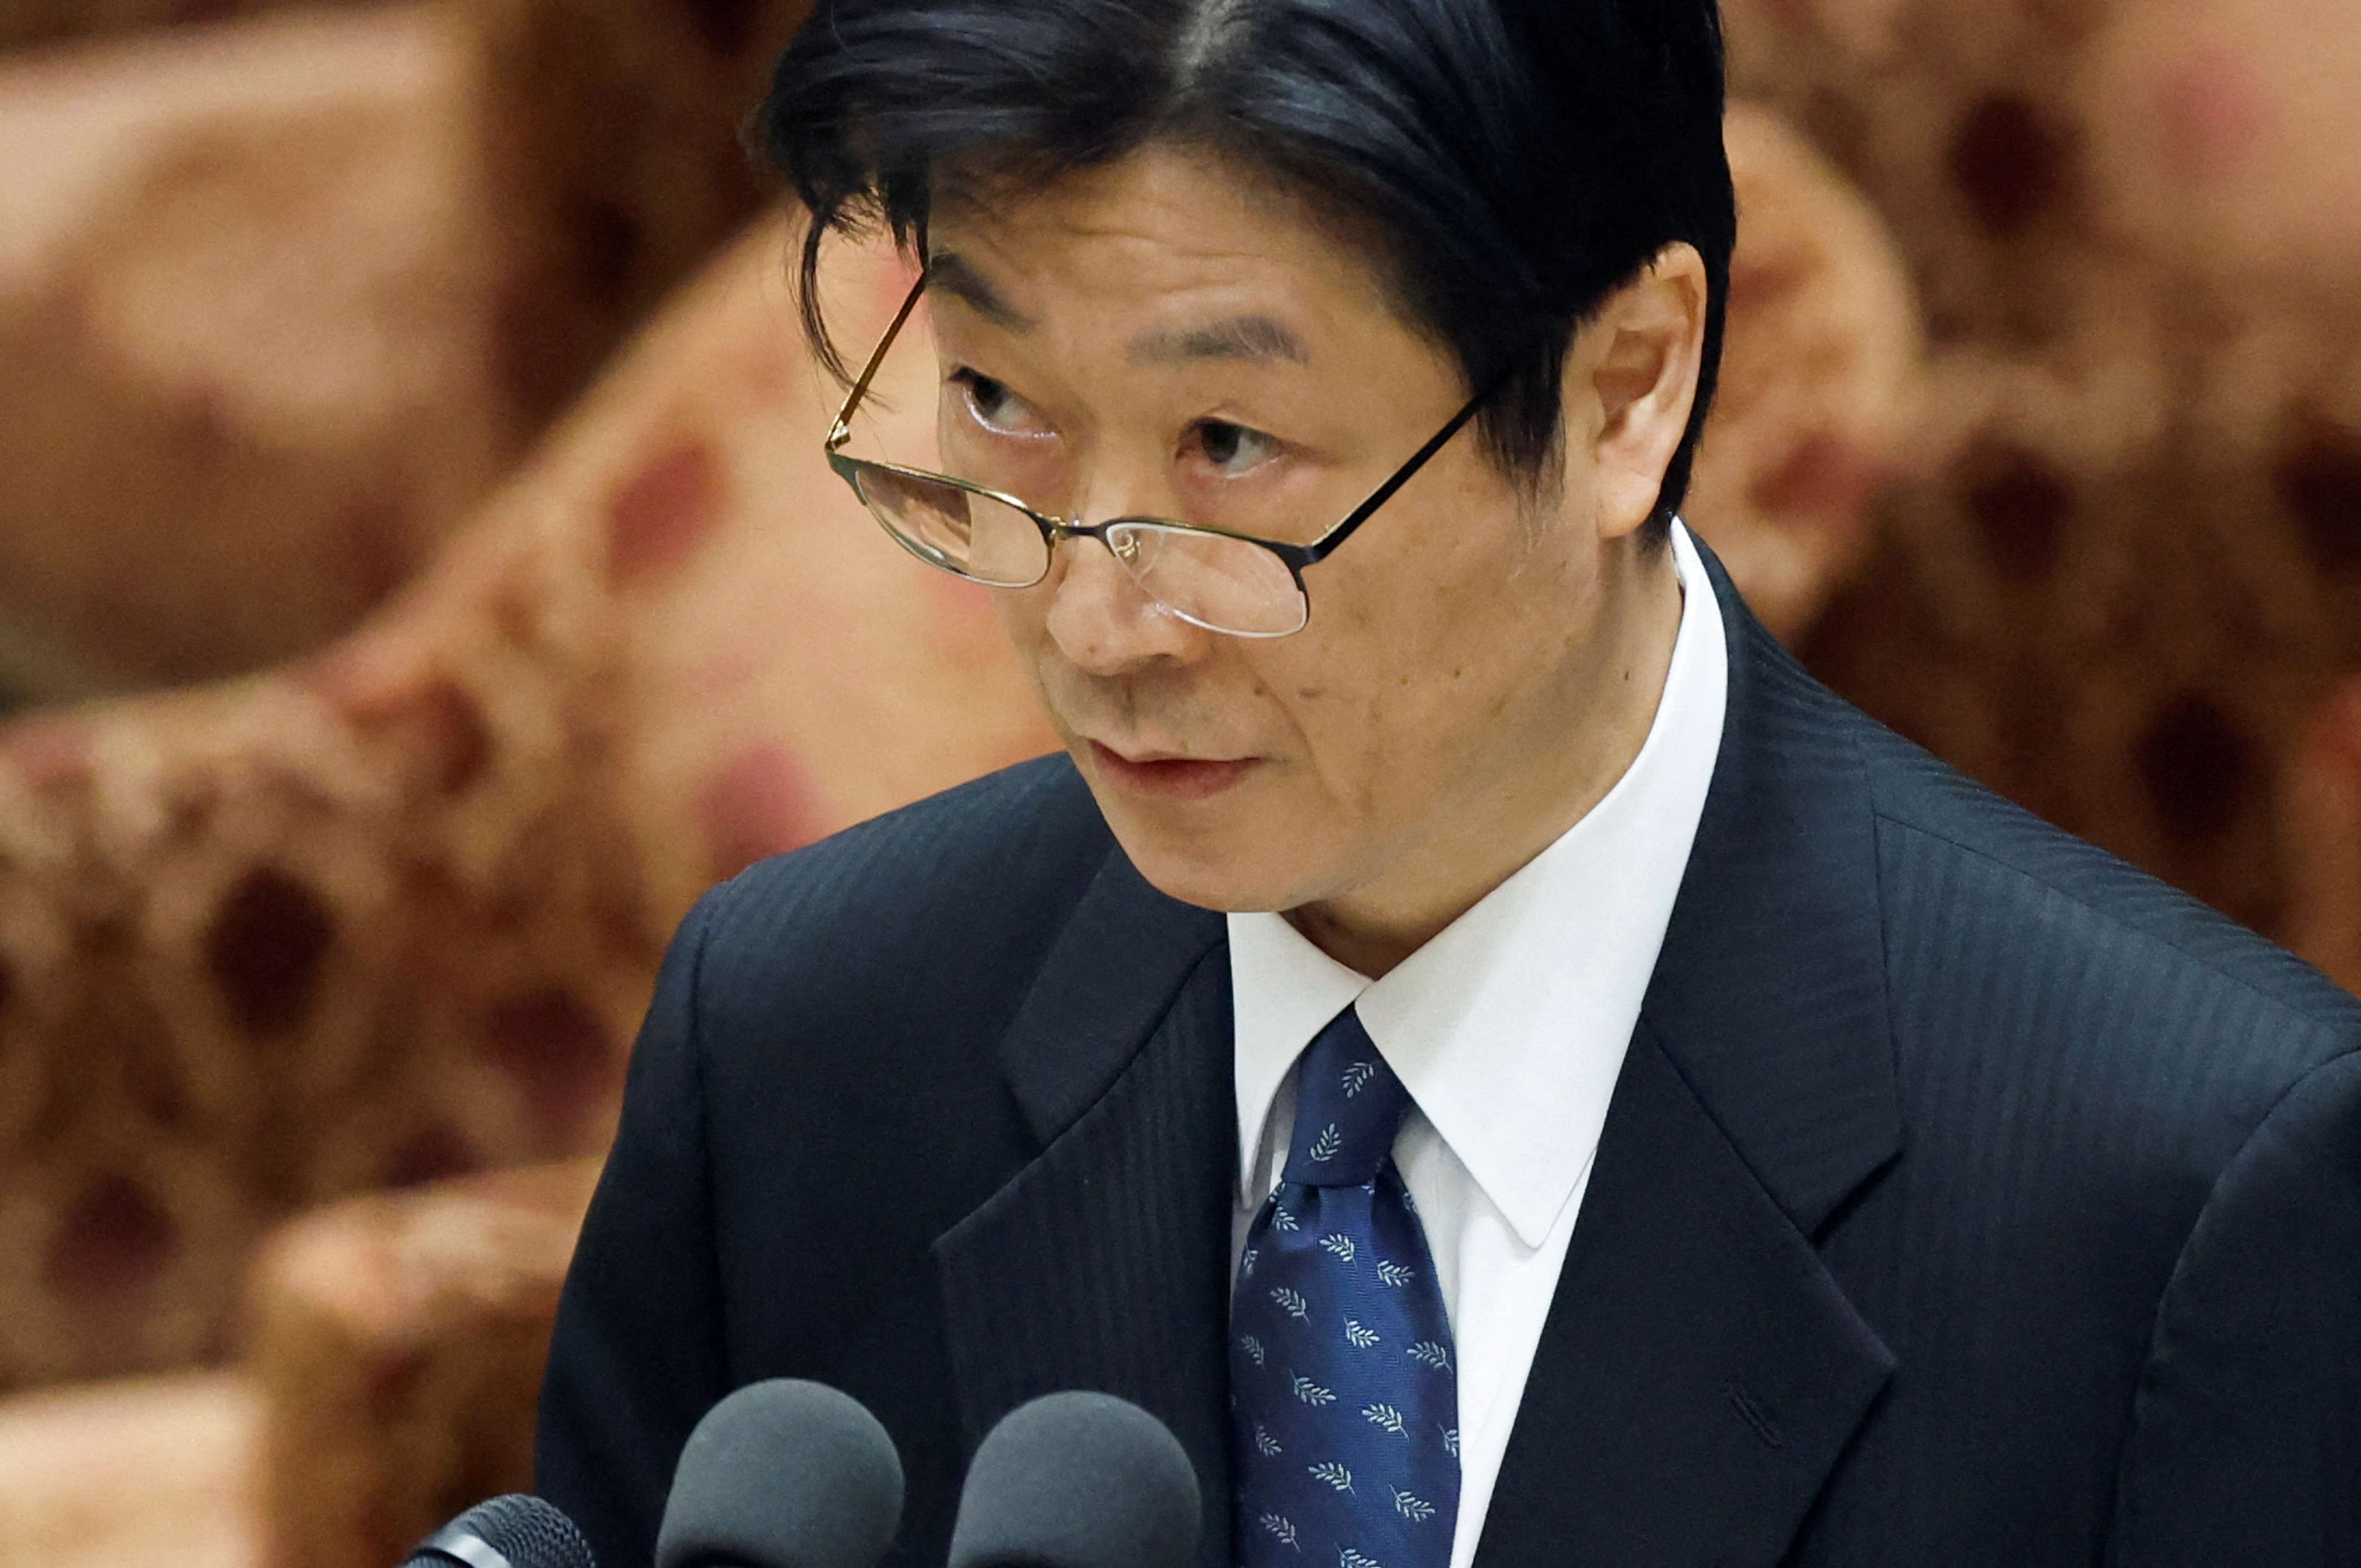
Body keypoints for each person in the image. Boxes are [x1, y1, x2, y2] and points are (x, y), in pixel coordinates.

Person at [534, 0, 2361, 1564]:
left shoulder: (2180, 1199)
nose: (1093, 624)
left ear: (1625, 389)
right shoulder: (800, 1048)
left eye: (1227, 448)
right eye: (1000, 405)